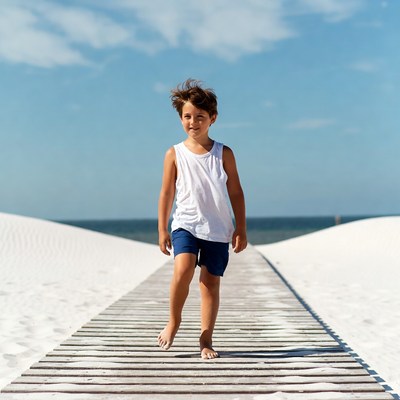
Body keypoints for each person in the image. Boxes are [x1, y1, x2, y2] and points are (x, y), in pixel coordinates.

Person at [157, 78, 247, 359]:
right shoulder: (174, 153)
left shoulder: (224, 154)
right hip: (185, 223)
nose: (193, 122)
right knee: (182, 270)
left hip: (218, 228)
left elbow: (236, 192)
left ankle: (205, 337)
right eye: (187, 116)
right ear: (180, 118)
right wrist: (162, 229)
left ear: (212, 119)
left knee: (210, 283)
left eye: (200, 117)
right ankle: (174, 320)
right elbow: (166, 193)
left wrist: (241, 227)